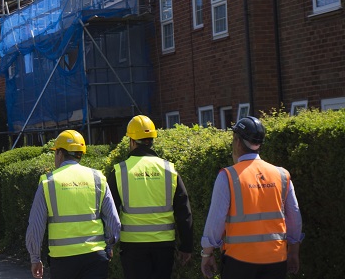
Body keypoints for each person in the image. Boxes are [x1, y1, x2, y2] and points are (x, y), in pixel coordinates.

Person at [200, 116, 303, 279]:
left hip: (239, 261)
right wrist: (294, 251)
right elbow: (294, 217)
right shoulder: (282, 175)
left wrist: (207, 254)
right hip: (276, 259)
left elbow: (216, 220)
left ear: (238, 142)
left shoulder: (227, 176)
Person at [25, 129, 121, 279]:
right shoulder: (98, 178)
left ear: (60, 153)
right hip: (95, 256)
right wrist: (109, 246)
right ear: (80, 154)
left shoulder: (48, 182)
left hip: (63, 260)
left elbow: (35, 226)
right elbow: (113, 220)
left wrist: (35, 258)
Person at [109, 115, 193, 279]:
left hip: (133, 247)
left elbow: (109, 213)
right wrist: (186, 247)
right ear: (152, 140)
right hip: (164, 247)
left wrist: (108, 243)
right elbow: (184, 212)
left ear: (132, 141)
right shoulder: (169, 170)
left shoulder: (120, 171)